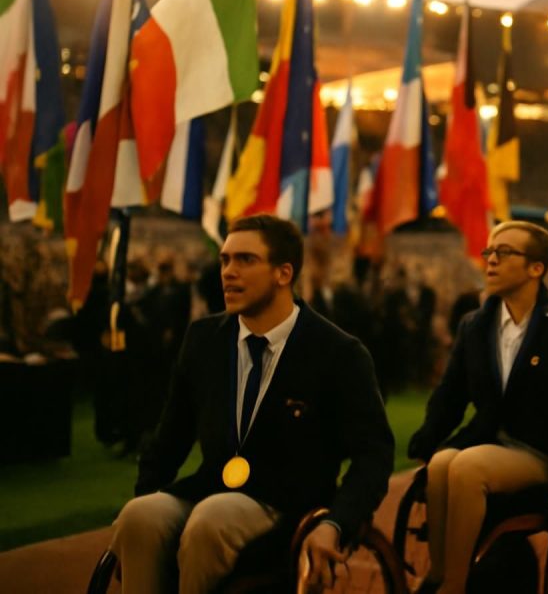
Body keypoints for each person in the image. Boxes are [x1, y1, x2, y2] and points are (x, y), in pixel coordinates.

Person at [108, 214, 394, 593]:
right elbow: (168, 440)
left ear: (283, 273)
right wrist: (147, 494)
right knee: (139, 516)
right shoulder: (203, 339)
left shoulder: (339, 353)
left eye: (245, 260)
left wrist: (336, 523)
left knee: (211, 519)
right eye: (225, 260)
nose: (228, 272)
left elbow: (374, 454)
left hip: (290, 505)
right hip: (211, 490)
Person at [407, 220, 548, 594]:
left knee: (466, 468)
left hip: (544, 451)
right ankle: (440, 574)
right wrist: (427, 443)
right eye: (489, 252)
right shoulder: (474, 326)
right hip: (489, 441)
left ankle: (454, 586)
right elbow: (450, 395)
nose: (490, 260)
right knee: (442, 463)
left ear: (536, 268)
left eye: (504, 253)